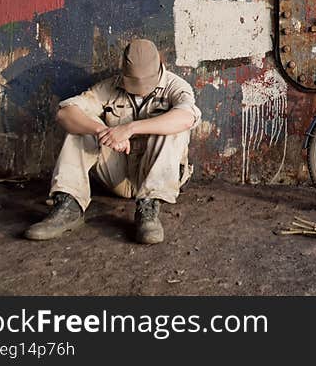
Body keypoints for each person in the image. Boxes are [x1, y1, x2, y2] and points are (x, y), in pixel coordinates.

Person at [24, 38, 201, 245]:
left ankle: (149, 210)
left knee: (174, 128)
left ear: (161, 68)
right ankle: (69, 206)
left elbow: (187, 117)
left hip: (157, 176)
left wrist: (129, 129)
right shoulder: (109, 87)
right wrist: (103, 132)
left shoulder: (176, 86)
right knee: (80, 125)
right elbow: (65, 113)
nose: (140, 89)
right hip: (118, 175)